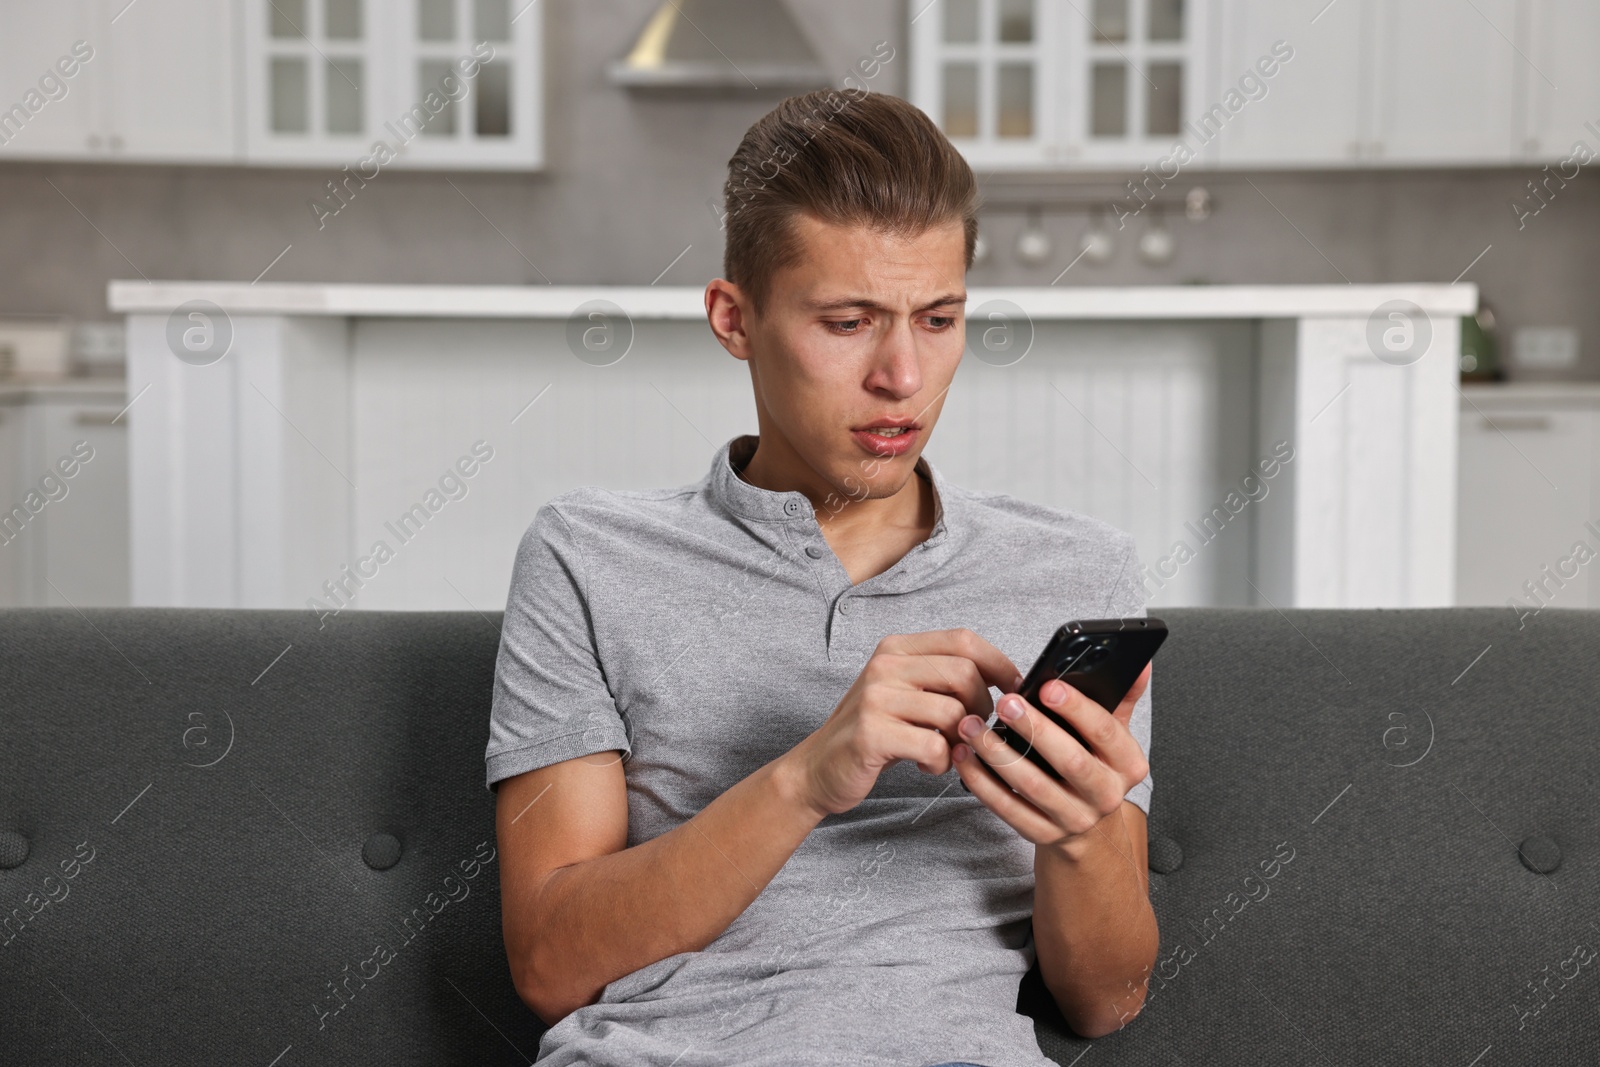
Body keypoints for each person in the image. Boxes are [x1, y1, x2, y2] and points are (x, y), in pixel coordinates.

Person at [485, 88, 1159, 1067]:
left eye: (938, 318)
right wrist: (805, 776)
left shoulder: (1076, 567)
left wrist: (1080, 832)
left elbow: (1104, 1001)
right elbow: (552, 963)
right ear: (734, 317)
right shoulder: (586, 556)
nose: (902, 374)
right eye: (848, 321)